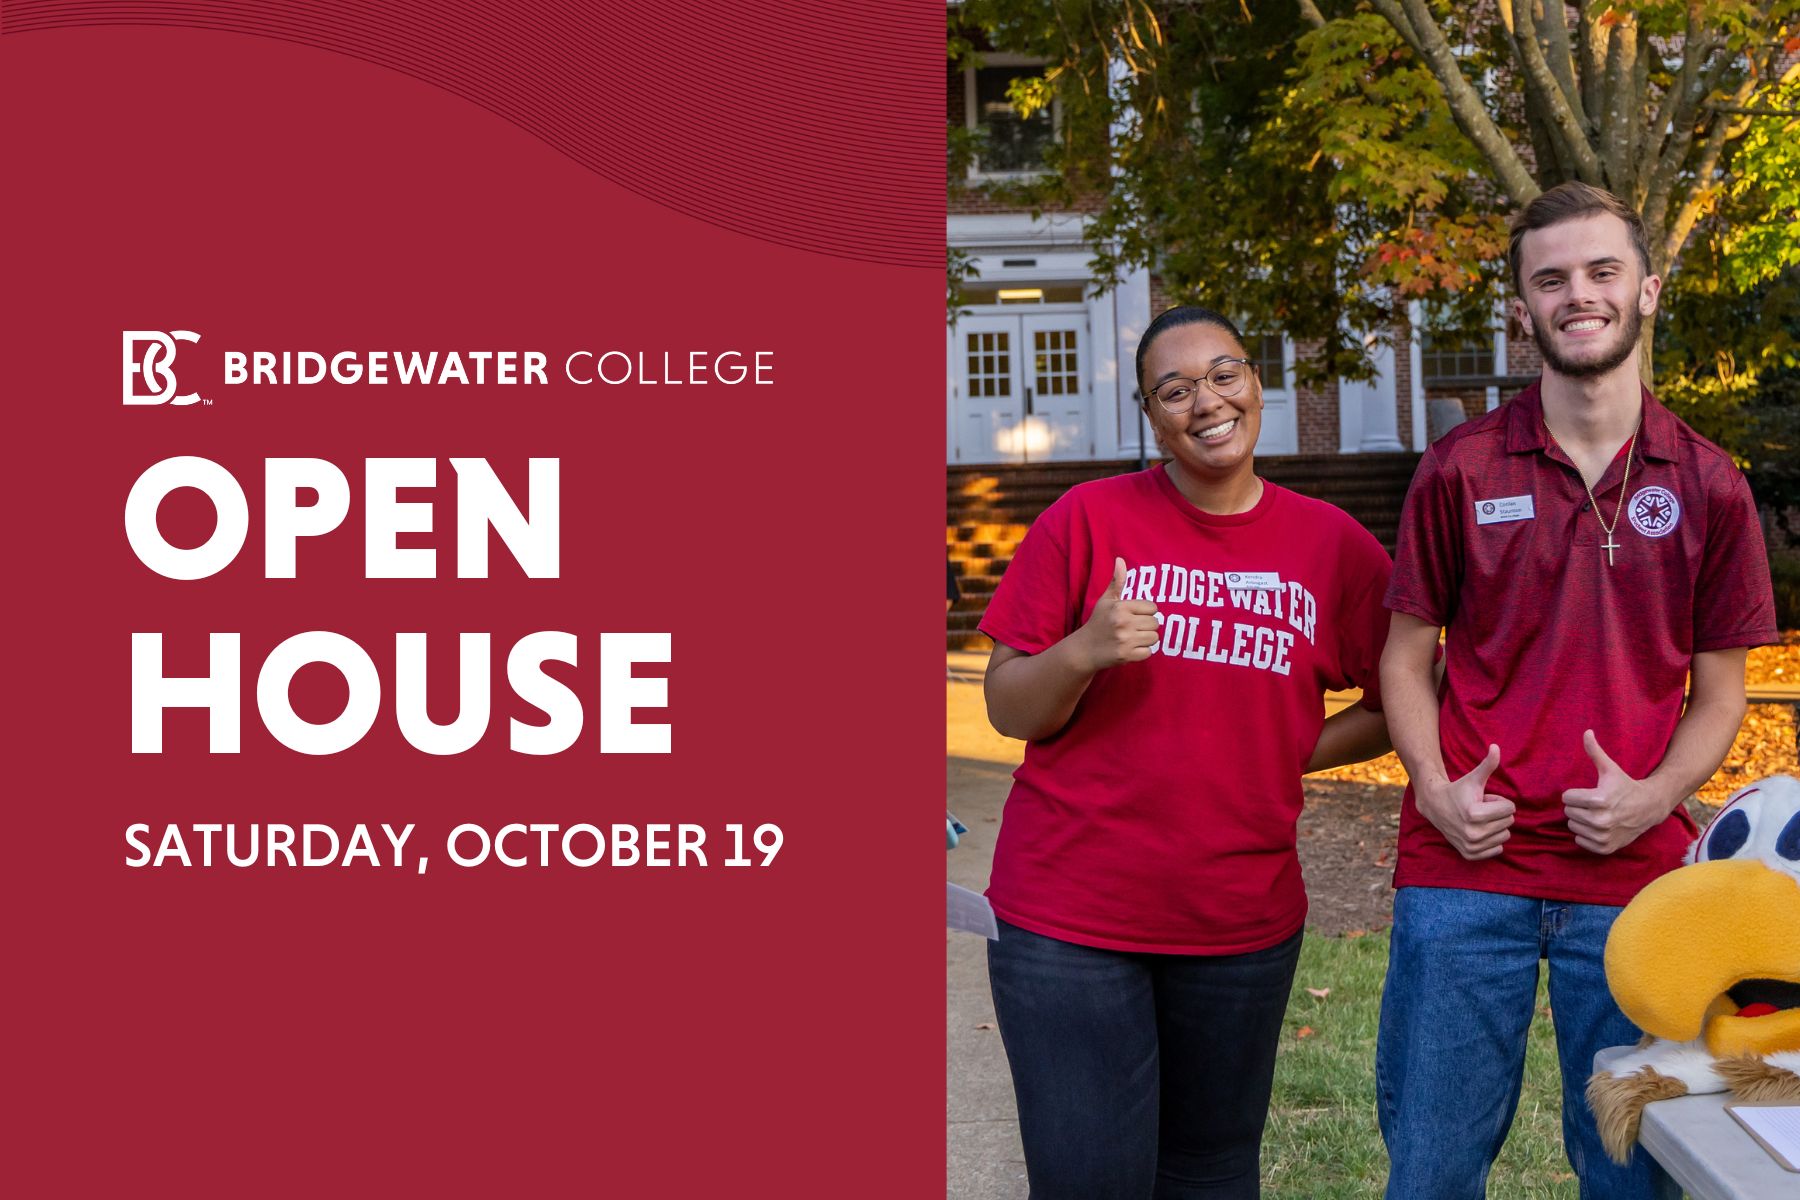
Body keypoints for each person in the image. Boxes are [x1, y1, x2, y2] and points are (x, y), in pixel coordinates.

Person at [1376, 182, 1778, 1200]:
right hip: (1468, 867)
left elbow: (1722, 693)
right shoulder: (1460, 469)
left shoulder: (1708, 483)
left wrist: (1650, 797)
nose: (1578, 294)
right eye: (1550, 279)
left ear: (1648, 289)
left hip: (1635, 879)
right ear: (1522, 310)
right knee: (1430, 1171)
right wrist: (1433, 787)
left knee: (1635, 1175)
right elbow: (1405, 657)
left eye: (1602, 272)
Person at [978, 305, 1396, 1198]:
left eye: (1224, 374)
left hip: (1238, 920)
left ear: (1255, 383)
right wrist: (1084, 651)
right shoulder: (1085, 520)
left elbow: (1399, 703)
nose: (1205, 401)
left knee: (1210, 1172)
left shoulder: (1333, 548)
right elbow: (1010, 707)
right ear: (1150, 415)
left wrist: (1279, 753)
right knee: (1090, 1180)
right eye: (1175, 389)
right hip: (1067, 917)